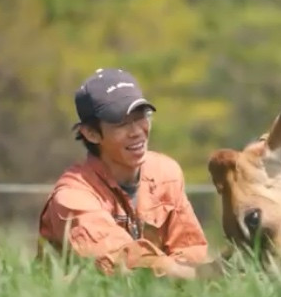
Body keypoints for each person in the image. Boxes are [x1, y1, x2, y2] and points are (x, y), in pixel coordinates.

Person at [37, 68, 210, 279]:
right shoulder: (72, 197)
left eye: (141, 117)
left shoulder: (166, 173)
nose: (137, 131)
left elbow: (191, 249)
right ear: (90, 133)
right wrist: (194, 276)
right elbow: (119, 262)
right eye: (121, 123)